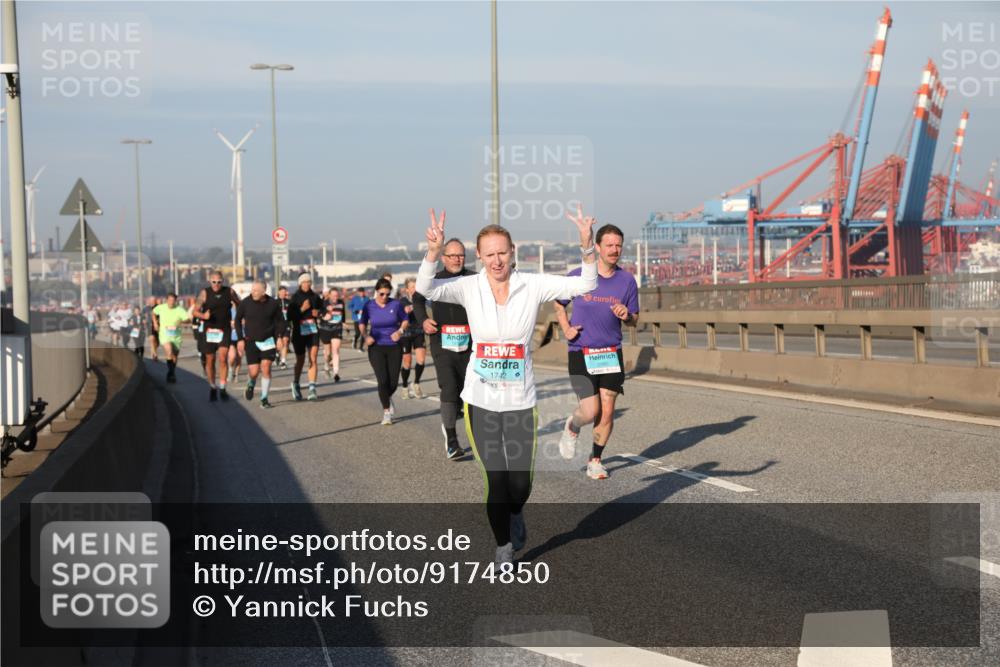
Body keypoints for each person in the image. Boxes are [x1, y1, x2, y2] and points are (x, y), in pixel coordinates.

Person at [416, 207, 597, 567]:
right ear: (480, 257)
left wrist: (587, 247)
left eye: (502, 252)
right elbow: (425, 289)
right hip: (480, 400)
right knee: (495, 480)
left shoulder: (533, 284)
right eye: (489, 254)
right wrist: (433, 252)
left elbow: (586, 284)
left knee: (520, 485)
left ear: (512, 251)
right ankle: (503, 547)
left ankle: (515, 513)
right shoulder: (468, 287)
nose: (497, 260)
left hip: (519, 400)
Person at [553, 223, 640, 480]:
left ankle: (595, 460)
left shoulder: (626, 281)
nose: (614, 250)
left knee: (608, 409)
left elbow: (635, 318)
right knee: (590, 411)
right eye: (609, 245)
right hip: (581, 350)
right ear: (598, 247)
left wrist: (627, 315)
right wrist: (566, 327)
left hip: (611, 352)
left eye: (618, 245)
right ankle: (572, 426)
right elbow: (558, 303)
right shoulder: (579, 276)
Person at [413, 237, 475, 459]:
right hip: (442, 342)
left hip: (471, 344)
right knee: (449, 388)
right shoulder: (435, 280)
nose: (457, 259)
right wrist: (423, 320)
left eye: (461, 255)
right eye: (452, 255)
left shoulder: (474, 278)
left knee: (470, 393)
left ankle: (477, 436)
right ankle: (452, 441)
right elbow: (417, 299)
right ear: (443, 258)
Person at [358, 278, 409, 424]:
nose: (385, 297)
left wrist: (399, 331)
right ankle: (386, 412)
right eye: (381, 294)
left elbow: (405, 320)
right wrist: (366, 336)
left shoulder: (396, 304)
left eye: (387, 294)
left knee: (393, 382)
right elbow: (362, 324)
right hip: (376, 347)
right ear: (376, 292)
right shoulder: (369, 305)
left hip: (394, 346)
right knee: (382, 380)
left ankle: (387, 397)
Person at [193, 270, 241, 401]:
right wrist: (204, 316)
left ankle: (223, 387)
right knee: (210, 360)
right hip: (210, 331)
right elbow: (195, 312)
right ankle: (212, 386)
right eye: (214, 282)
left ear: (222, 282)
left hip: (224, 329)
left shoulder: (229, 292)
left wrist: (237, 319)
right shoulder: (204, 293)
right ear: (210, 281)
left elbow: (240, 304)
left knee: (223, 358)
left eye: (219, 282)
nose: (216, 284)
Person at [235, 280, 284, 408]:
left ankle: (264, 399)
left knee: (266, 367)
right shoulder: (245, 303)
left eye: (256, 290)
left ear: (264, 291)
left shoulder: (273, 304)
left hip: (268, 340)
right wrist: (240, 338)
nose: (253, 292)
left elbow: (281, 322)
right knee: (254, 372)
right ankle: (251, 383)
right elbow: (237, 320)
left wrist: (279, 337)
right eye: (252, 289)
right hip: (251, 341)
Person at [289, 273, 324, 401]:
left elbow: (324, 310)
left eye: (309, 281)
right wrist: (302, 309)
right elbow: (290, 317)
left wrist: (319, 313)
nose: (307, 284)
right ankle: (296, 383)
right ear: (300, 283)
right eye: (304, 282)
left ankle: (312, 388)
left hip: (313, 331)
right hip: (299, 333)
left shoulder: (315, 296)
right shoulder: (295, 298)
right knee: (301, 360)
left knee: (313, 357)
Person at [397, 278, 427, 400]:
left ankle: (416, 383)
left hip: (419, 332)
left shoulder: (422, 299)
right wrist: (411, 307)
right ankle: (404, 387)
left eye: (416, 286)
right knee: (407, 362)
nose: (415, 289)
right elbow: (405, 310)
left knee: (421, 360)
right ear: (407, 289)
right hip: (406, 333)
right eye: (412, 287)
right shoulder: (402, 301)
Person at [152, 293, 191, 383]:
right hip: (164, 334)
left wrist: (185, 320)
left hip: (176, 336)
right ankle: (170, 373)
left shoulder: (180, 310)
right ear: (167, 300)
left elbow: (187, 319)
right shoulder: (161, 307)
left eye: (173, 301)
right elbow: (153, 312)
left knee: (175, 356)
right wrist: (155, 323)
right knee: (169, 351)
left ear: (175, 301)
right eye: (169, 300)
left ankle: (172, 372)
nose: (171, 302)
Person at [318, 287, 346, 382]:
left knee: (336, 350)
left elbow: (343, 313)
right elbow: (319, 314)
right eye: (333, 296)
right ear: (329, 295)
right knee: (328, 352)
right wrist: (326, 314)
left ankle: (336, 373)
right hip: (325, 329)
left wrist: (343, 322)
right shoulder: (324, 303)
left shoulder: (341, 302)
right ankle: (326, 365)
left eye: (337, 296)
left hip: (337, 328)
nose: (335, 298)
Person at [227, 303, 243, 383]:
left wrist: (242, 323)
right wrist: (230, 323)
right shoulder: (228, 310)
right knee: (232, 356)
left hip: (241, 337)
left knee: (239, 357)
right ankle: (230, 370)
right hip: (230, 337)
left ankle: (236, 375)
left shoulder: (243, 310)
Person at [276, 285, 291, 369]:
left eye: (284, 292)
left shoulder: (289, 302)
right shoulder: (275, 302)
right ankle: (277, 353)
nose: (283, 293)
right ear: (279, 292)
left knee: (285, 341)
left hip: (287, 325)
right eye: (282, 292)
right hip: (278, 326)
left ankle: (283, 361)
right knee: (279, 344)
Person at [143, 297, 160, 361]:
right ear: (149, 301)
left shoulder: (159, 308)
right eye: (151, 300)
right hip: (149, 326)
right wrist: (143, 320)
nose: (152, 302)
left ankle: (153, 351)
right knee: (152, 339)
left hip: (158, 326)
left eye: (154, 300)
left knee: (157, 343)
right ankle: (154, 354)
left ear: (156, 301)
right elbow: (142, 316)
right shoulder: (145, 308)